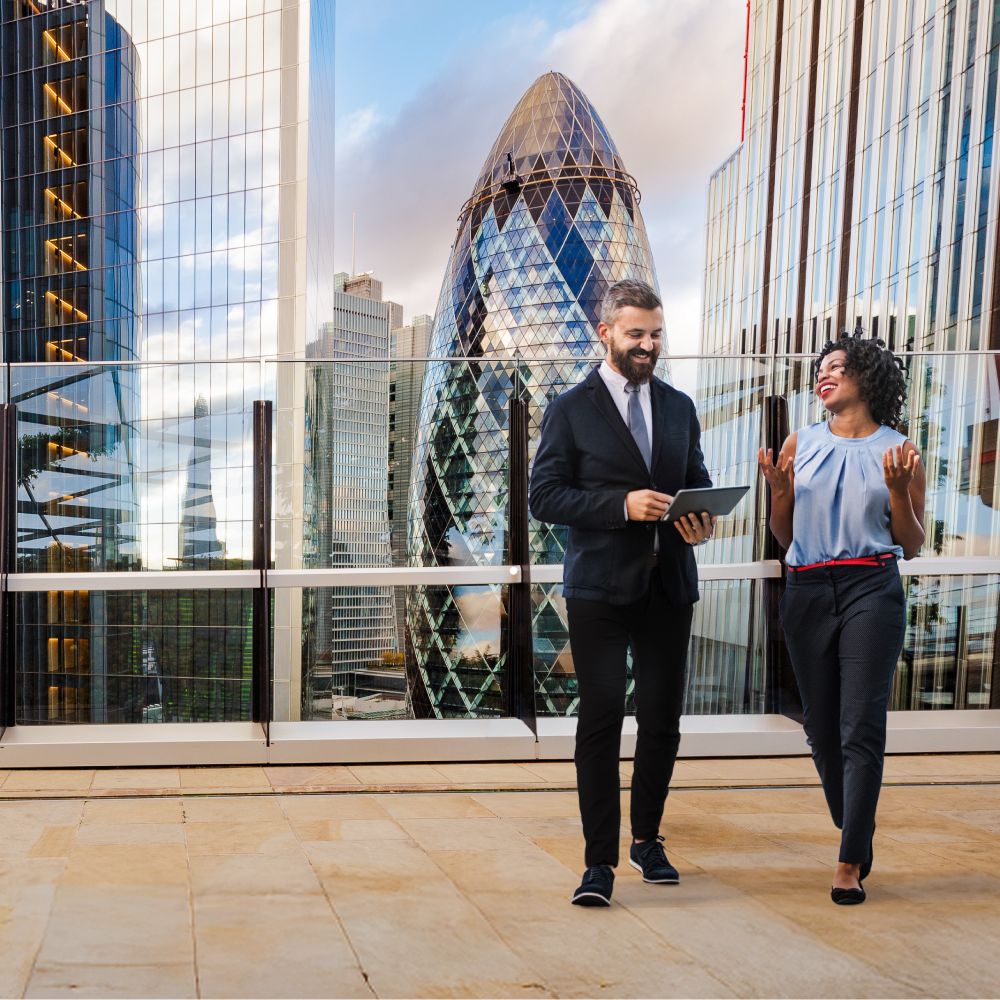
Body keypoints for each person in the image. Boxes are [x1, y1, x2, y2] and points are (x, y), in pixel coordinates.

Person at [529, 279, 716, 907]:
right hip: (599, 591)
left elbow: (697, 481)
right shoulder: (570, 408)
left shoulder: (680, 405)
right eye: (636, 333)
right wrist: (621, 506)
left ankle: (647, 840)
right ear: (605, 332)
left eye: (656, 333)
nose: (649, 344)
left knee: (662, 721)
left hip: (670, 584)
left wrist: (700, 517)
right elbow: (544, 497)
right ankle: (597, 865)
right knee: (601, 719)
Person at [758, 331, 925, 905]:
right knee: (821, 729)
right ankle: (858, 826)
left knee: (860, 727)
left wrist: (899, 493)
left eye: (837, 367)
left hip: (870, 588)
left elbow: (912, 544)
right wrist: (780, 493)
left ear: (868, 378)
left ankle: (850, 859)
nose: (823, 375)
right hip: (805, 589)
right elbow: (786, 537)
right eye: (820, 368)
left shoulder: (899, 449)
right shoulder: (799, 442)